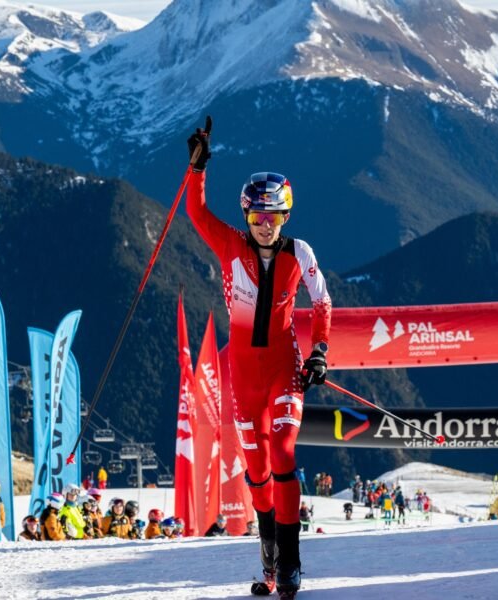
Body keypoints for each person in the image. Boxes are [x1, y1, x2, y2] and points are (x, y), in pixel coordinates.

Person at [186, 119, 332, 599]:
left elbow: (323, 302)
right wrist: (198, 167)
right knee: (256, 473)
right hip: (243, 377)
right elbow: (196, 211)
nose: (263, 225)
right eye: (255, 217)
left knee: (285, 454)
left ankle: (290, 565)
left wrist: (319, 353)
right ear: (246, 216)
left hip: (284, 372)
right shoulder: (230, 245)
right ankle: (269, 564)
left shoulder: (300, 253)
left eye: (272, 217)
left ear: (285, 216)